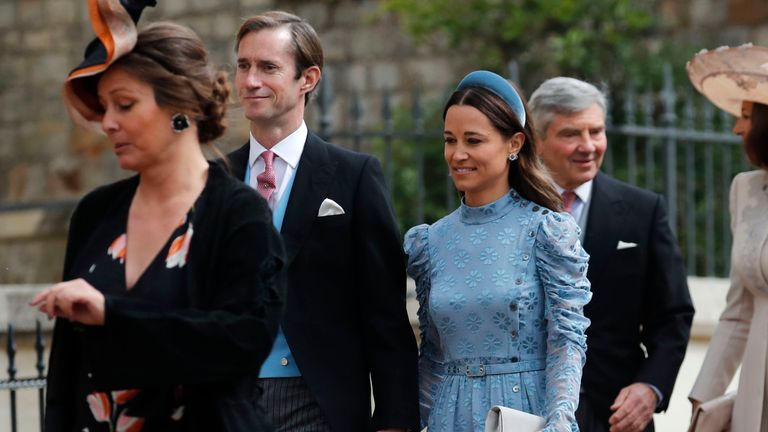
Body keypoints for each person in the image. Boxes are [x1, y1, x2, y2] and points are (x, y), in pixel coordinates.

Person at [31, 2, 285, 430]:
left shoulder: (238, 212)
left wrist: (114, 313)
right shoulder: (94, 213)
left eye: (125, 105)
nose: (107, 122)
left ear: (180, 108)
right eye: (105, 107)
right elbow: (65, 372)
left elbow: (241, 341)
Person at [225, 10, 419, 432]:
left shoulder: (353, 176)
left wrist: (394, 419)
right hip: (228, 401)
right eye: (244, 66)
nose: (251, 80)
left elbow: (385, 311)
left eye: (268, 67)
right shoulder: (212, 179)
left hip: (319, 402)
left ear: (308, 79)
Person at [404, 70, 592, 432]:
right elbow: (432, 356)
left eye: (473, 140)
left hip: (523, 416)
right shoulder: (430, 242)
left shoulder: (547, 231)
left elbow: (567, 339)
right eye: (450, 140)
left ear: (514, 144)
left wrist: (560, 421)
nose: (458, 154)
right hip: (449, 420)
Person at [529, 77, 695, 432]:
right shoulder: (513, 211)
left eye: (596, 131)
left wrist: (650, 388)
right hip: (528, 411)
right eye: (572, 133)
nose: (588, 145)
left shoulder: (643, 210)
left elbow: (673, 315)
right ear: (537, 140)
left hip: (617, 417)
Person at [687, 43, 768, 432]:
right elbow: (739, 311)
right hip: (755, 390)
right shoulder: (746, 190)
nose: (737, 127)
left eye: (747, 115)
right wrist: (703, 397)